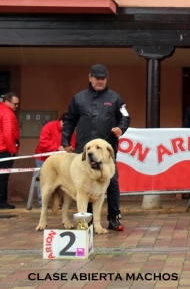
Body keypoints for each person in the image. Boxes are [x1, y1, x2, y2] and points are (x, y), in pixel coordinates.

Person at [62, 64, 131, 231]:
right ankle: (87, 220)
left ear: (106, 79)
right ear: (90, 78)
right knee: (84, 185)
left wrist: (120, 128)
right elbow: (69, 120)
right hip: (83, 151)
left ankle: (114, 218)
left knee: (112, 183)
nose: (100, 81)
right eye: (97, 78)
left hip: (105, 151)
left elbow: (126, 117)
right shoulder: (78, 98)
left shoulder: (115, 98)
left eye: (103, 79)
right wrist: (65, 141)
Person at [34, 113, 76, 209]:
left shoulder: (71, 132)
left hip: (60, 161)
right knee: (44, 180)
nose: (66, 127)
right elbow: (43, 142)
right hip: (43, 158)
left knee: (63, 180)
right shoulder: (49, 126)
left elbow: (73, 144)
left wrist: (71, 148)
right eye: (64, 124)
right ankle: (42, 204)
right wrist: (57, 147)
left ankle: (61, 203)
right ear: (59, 121)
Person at [0, 93, 20, 209]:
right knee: (3, 177)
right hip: (4, 150)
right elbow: (8, 135)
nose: (16, 106)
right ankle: (2, 201)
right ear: (7, 101)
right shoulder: (7, 113)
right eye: (15, 104)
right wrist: (13, 151)